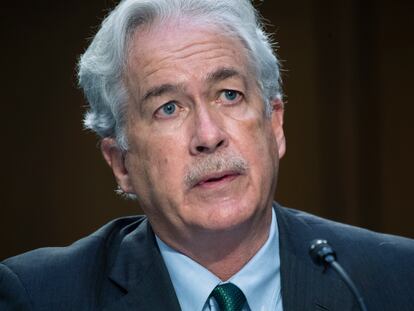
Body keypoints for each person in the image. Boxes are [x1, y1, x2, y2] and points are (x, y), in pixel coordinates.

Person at [1, 0, 413, 310]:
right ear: (121, 163)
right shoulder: (38, 296)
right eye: (168, 108)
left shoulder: (397, 279)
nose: (208, 135)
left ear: (275, 124)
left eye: (229, 95)